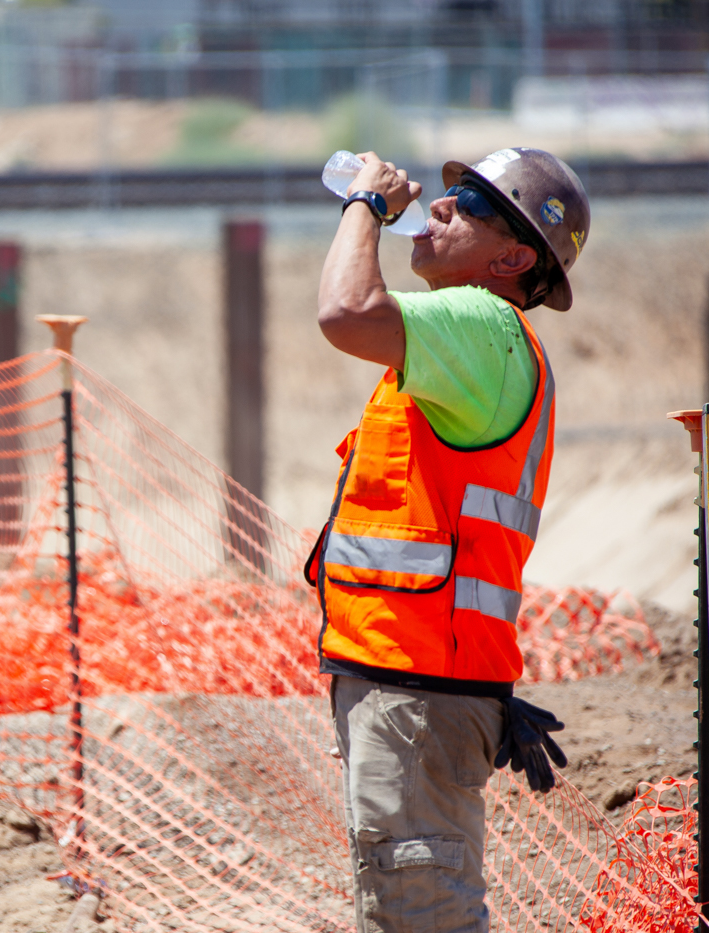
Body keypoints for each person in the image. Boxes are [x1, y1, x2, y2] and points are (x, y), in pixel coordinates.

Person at [309, 148, 589, 933]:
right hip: (419, 687)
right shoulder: (464, 348)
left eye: (468, 201)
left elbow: (345, 311)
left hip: (419, 691)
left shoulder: (481, 323)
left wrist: (363, 204)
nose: (438, 205)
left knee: (420, 914)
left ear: (513, 257)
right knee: (408, 904)